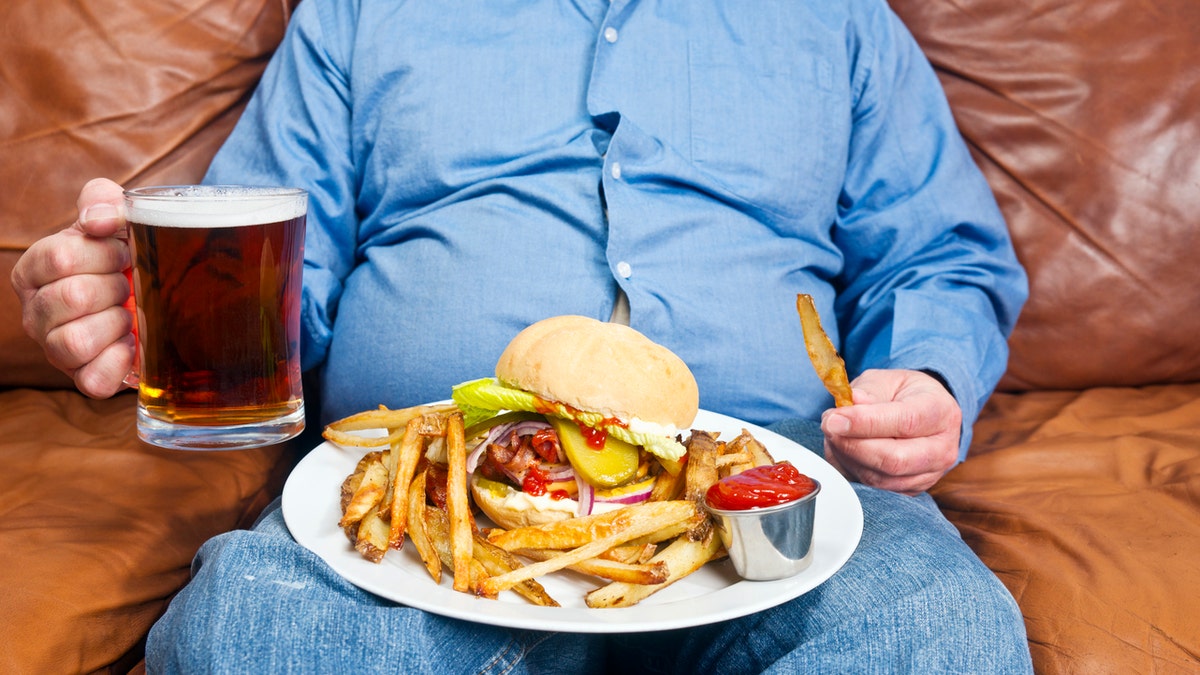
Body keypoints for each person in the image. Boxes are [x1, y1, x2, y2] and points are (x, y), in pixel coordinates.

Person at [12, 0, 1033, 672]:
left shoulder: (838, 17)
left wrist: (928, 372)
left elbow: (940, 255)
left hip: (773, 506)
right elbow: (272, 282)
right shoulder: (357, 14)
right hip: (423, 523)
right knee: (252, 636)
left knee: (941, 638)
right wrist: (150, 314)